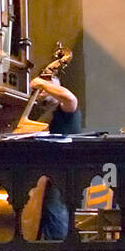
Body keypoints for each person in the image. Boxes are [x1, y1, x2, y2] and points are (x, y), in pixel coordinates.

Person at [28, 73, 81, 240]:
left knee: (55, 217)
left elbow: (70, 98)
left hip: (61, 174)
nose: (43, 89)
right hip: (42, 176)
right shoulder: (39, 114)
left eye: (50, 82)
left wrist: (42, 83)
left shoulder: (65, 109)